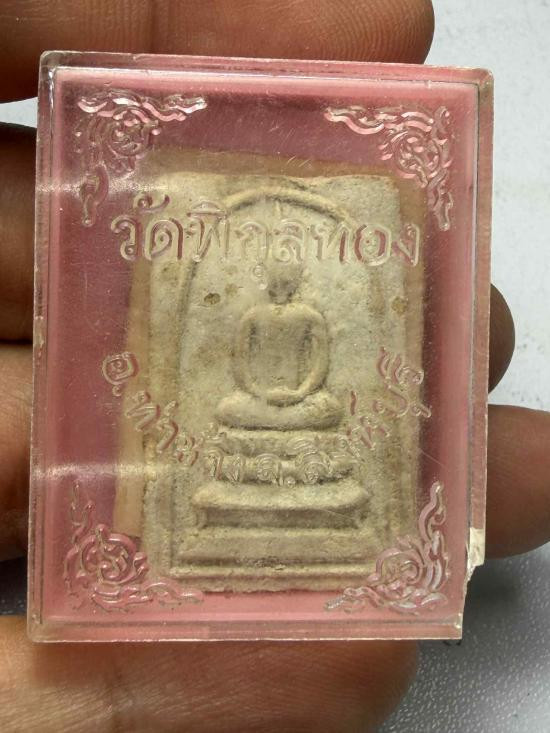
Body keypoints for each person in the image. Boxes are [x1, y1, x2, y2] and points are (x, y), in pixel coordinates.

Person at [0, 1, 548, 731]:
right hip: (252, 413)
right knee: (234, 411)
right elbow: (243, 369)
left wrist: (296, 397)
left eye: (292, 281)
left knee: (322, 412)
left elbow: (315, 371)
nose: (288, 290)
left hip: (303, 413)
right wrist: (269, 396)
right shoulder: (258, 315)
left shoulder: (311, 317)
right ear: (271, 282)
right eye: (281, 280)